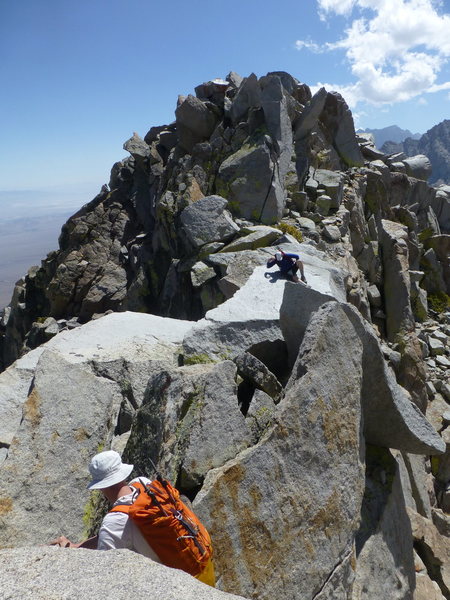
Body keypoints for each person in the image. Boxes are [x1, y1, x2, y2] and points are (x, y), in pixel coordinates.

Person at [50, 450, 215, 587]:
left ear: (101, 487)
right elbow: (116, 533)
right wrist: (78, 546)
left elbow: (104, 574)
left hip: (183, 585)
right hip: (200, 562)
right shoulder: (143, 484)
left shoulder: (113, 522)